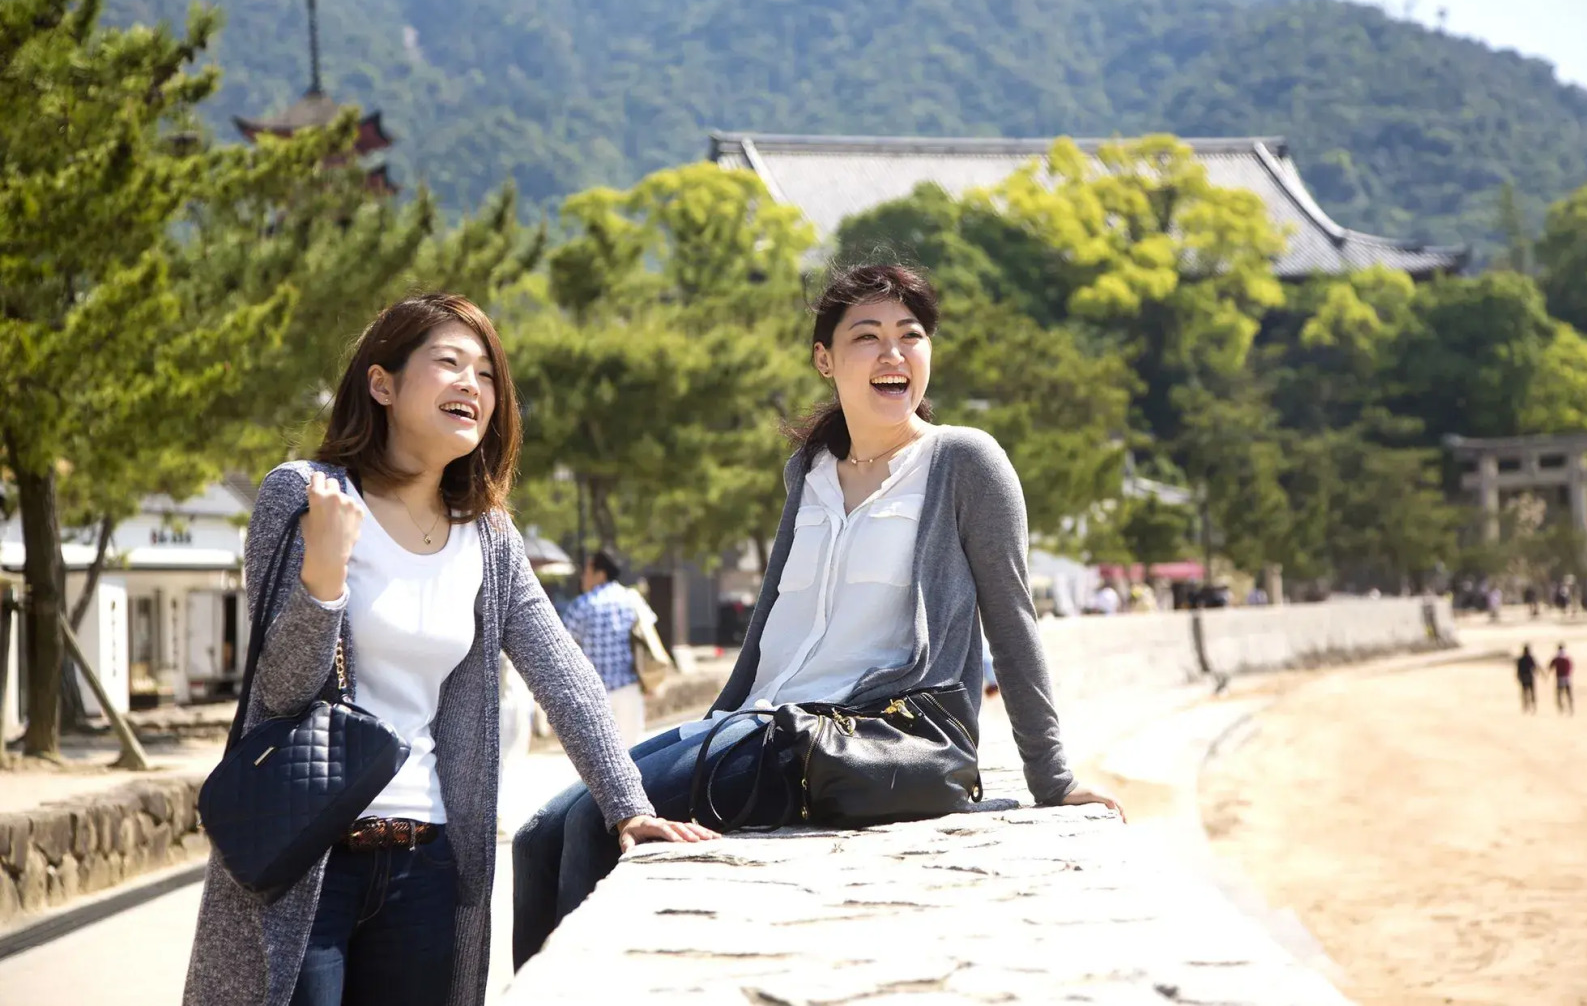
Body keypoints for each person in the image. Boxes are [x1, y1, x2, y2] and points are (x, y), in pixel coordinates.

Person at [511, 264, 1123, 967]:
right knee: (537, 833)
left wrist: (1052, 781)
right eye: (868, 337)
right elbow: (774, 618)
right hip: (753, 725)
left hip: (839, 736)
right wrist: (712, 726)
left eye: (911, 335)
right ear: (825, 359)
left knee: (596, 825)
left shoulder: (965, 461)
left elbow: (1013, 623)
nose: (894, 354)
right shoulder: (809, 470)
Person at [184, 294, 714, 1006]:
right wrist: (324, 577)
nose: (473, 384)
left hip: (427, 864)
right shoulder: (306, 497)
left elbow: (563, 672)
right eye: (449, 363)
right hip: (308, 856)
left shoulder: (488, 535)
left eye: (487, 373)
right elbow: (279, 694)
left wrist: (627, 805)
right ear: (382, 384)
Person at [561, 549, 646, 746]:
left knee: (600, 760)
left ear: (600, 574)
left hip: (595, 694)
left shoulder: (582, 605)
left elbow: (562, 647)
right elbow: (648, 637)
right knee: (633, 754)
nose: (583, 577)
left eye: (587, 571)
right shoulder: (632, 598)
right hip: (629, 688)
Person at [1550, 643, 1575, 714]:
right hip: (1567, 677)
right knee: (1568, 693)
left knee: (1559, 693)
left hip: (1560, 677)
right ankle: (1571, 707)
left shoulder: (1557, 658)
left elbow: (1551, 666)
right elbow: (1571, 666)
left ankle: (1560, 708)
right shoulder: (1567, 657)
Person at [1515, 644, 1540, 714]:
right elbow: (1534, 667)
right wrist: (1537, 672)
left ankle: (1525, 706)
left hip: (1524, 677)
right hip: (1530, 676)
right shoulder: (1531, 658)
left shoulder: (1521, 659)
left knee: (1524, 692)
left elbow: (1518, 669)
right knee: (1532, 692)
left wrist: (1518, 676)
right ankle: (1533, 705)